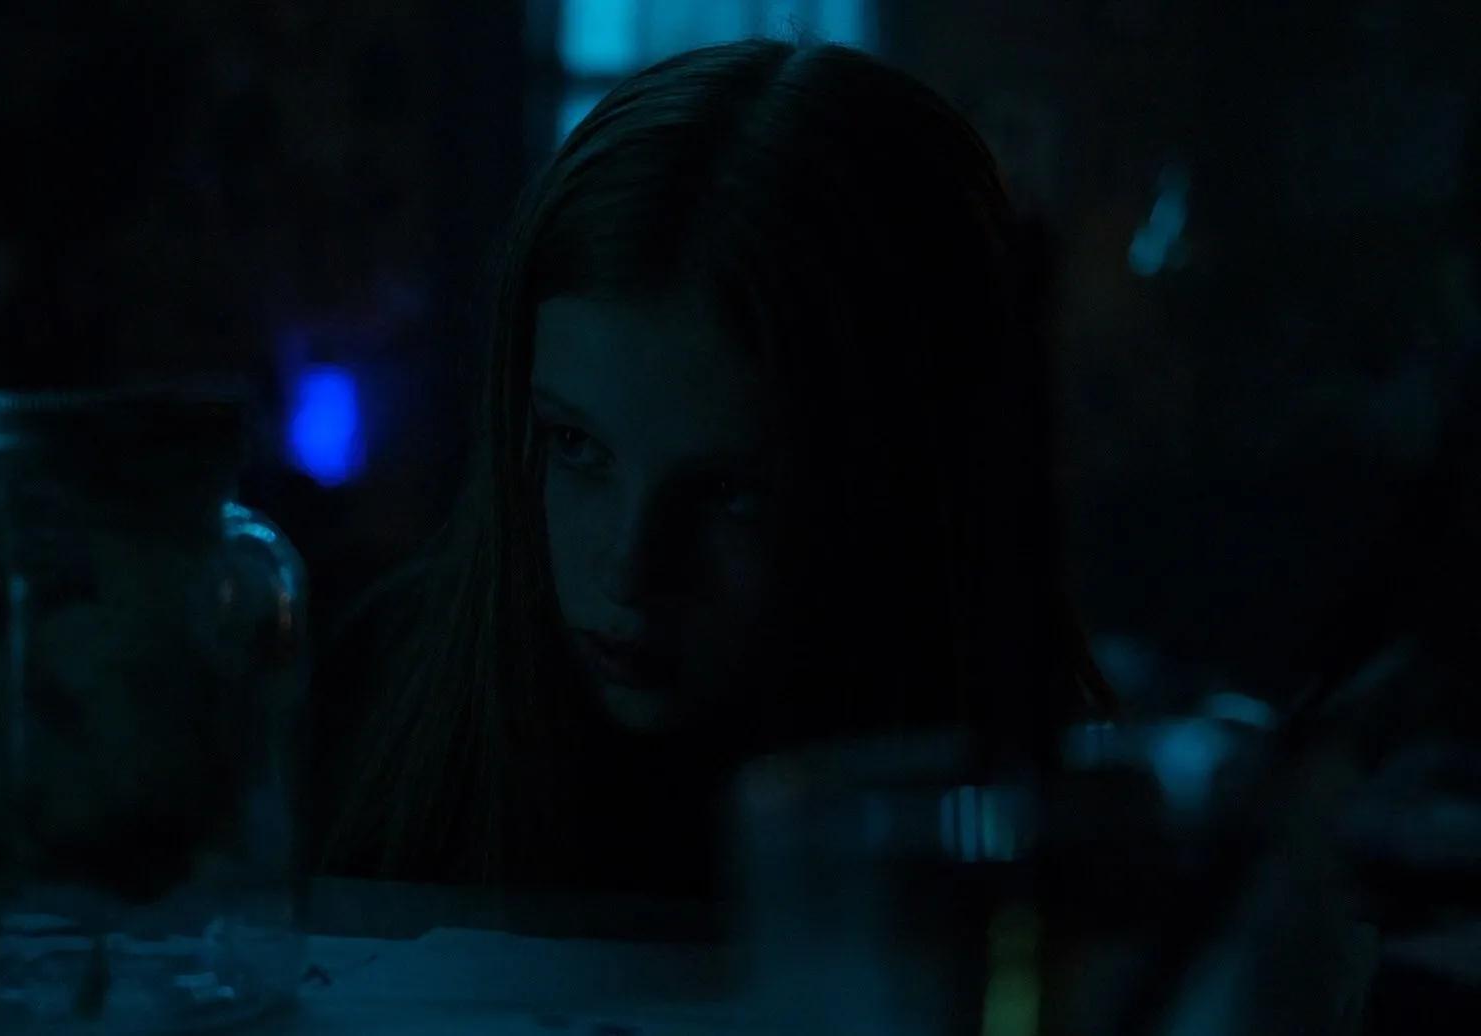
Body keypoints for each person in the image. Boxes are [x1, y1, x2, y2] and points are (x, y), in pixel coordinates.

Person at [311, 38, 1113, 897]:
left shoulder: (1047, 805)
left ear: (902, 487)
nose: (632, 569)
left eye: (734, 494)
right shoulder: (384, 687)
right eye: (576, 444)